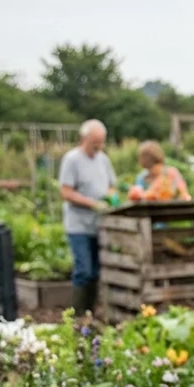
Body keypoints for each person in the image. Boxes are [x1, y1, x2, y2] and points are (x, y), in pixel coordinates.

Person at [58, 119, 117, 315]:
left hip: (99, 225)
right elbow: (66, 192)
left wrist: (110, 196)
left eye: (101, 142)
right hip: (79, 225)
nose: (99, 146)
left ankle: (89, 315)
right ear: (84, 139)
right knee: (84, 270)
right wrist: (92, 203)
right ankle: (76, 316)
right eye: (95, 142)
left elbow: (111, 185)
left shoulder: (103, 159)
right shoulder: (72, 159)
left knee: (97, 272)